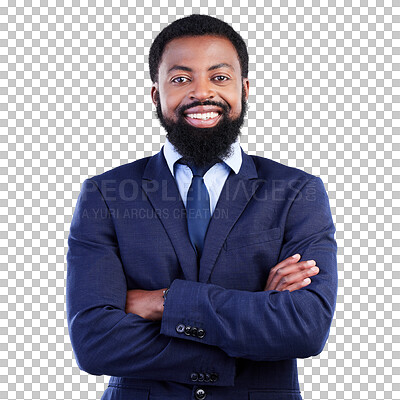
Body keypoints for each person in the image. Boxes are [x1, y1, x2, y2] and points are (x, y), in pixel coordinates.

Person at [66, 14, 337, 400]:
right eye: (180, 79)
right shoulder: (106, 193)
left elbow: (306, 328)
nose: (202, 92)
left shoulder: (298, 192)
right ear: (157, 94)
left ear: (244, 89)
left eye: (220, 77)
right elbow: (94, 341)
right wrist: (257, 313)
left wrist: (164, 302)